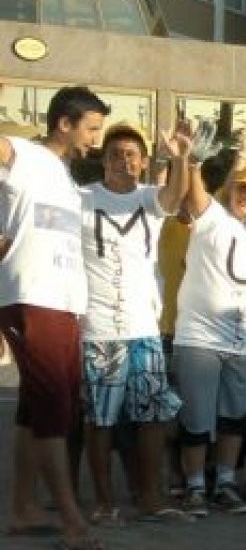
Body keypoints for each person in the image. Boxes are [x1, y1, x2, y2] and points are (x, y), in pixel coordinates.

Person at [0, 86, 108, 547]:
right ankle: (71, 522)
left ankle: (23, 509)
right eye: (92, 129)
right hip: (32, 296)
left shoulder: (64, 174)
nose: (95, 140)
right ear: (64, 124)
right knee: (53, 413)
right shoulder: (24, 155)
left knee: (36, 408)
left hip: (62, 302)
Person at [79, 121, 191, 525]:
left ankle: (151, 499)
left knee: (153, 417)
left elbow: (175, 196)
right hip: (99, 329)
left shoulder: (149, 198)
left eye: (131, 155)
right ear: (103, 161)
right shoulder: (82, 198)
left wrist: (181, 157)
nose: (123, 161)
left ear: (143, 162)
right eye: (115, 154)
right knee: (100, 420)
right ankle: (104, 503)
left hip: (144, 328)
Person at [173, 121, 246, 518]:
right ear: (232, 188)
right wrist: (194, 162)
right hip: (200, 337)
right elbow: (194, 193)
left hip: (243, 339)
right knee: (196, 418)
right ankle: (194, 486)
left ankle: (224, 483)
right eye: (243, 190)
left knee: (234, 418)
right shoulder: (212, 216)